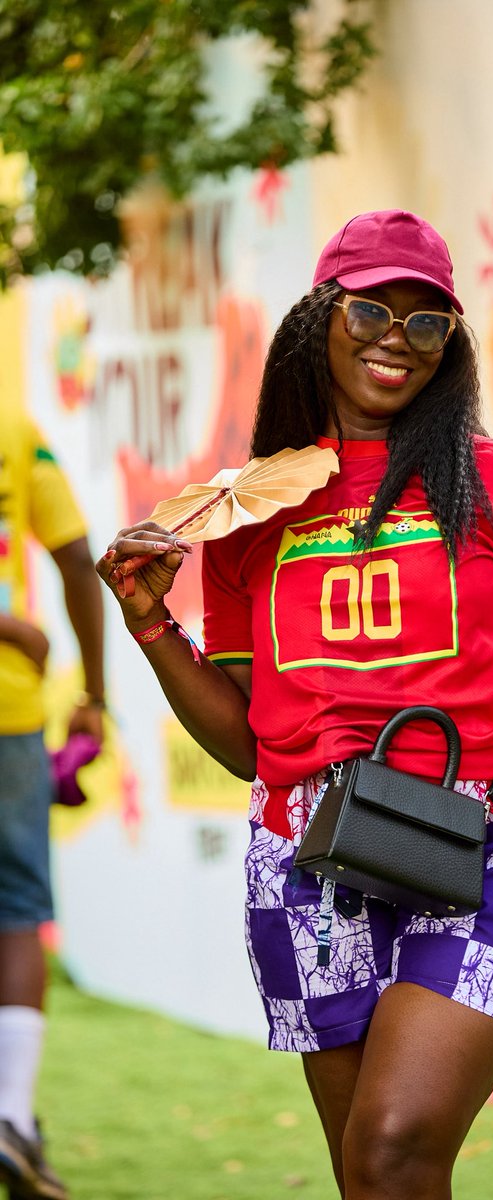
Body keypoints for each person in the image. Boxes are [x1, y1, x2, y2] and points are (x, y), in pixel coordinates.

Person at [97, 209, 493, 1199]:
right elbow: (246, 743)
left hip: (492, 841)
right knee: (373, 1179)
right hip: (310, 856)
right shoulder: (248, 510)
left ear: (450, 342)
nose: (397, 339)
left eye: (427, 321)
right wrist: (152, 624)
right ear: (319, 318)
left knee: (393, 1145)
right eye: (371, 310)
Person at [0, 408, 106, 1200]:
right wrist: (93, 696)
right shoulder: (12, 425)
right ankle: (11, 1118)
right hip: (9, 706)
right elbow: (75, 554)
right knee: (16, 913)